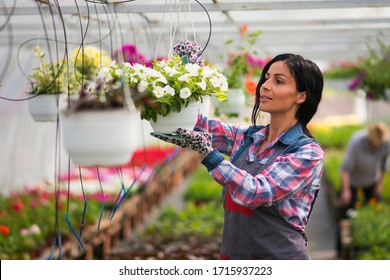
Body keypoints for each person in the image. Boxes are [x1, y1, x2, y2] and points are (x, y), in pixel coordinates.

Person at [151, 53, 324, 260]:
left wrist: (210, 155)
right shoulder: (249, 138)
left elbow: (257, 192)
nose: (265, 86)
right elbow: (198, 125)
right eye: (266, 77)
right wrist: (187, 74)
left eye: (278, 81)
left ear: (301, 96)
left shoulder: (307, 152)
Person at [340, 122, 390, 210]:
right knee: (348, 209)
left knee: (374, 208)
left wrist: (379, 185)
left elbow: (383, 165)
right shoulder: (356, 142)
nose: (376, 148)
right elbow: (345, 169)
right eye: (373, 145)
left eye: (379, 145)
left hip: (371, 179)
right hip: (353, 180)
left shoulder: (385, 143)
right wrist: (346, 190)